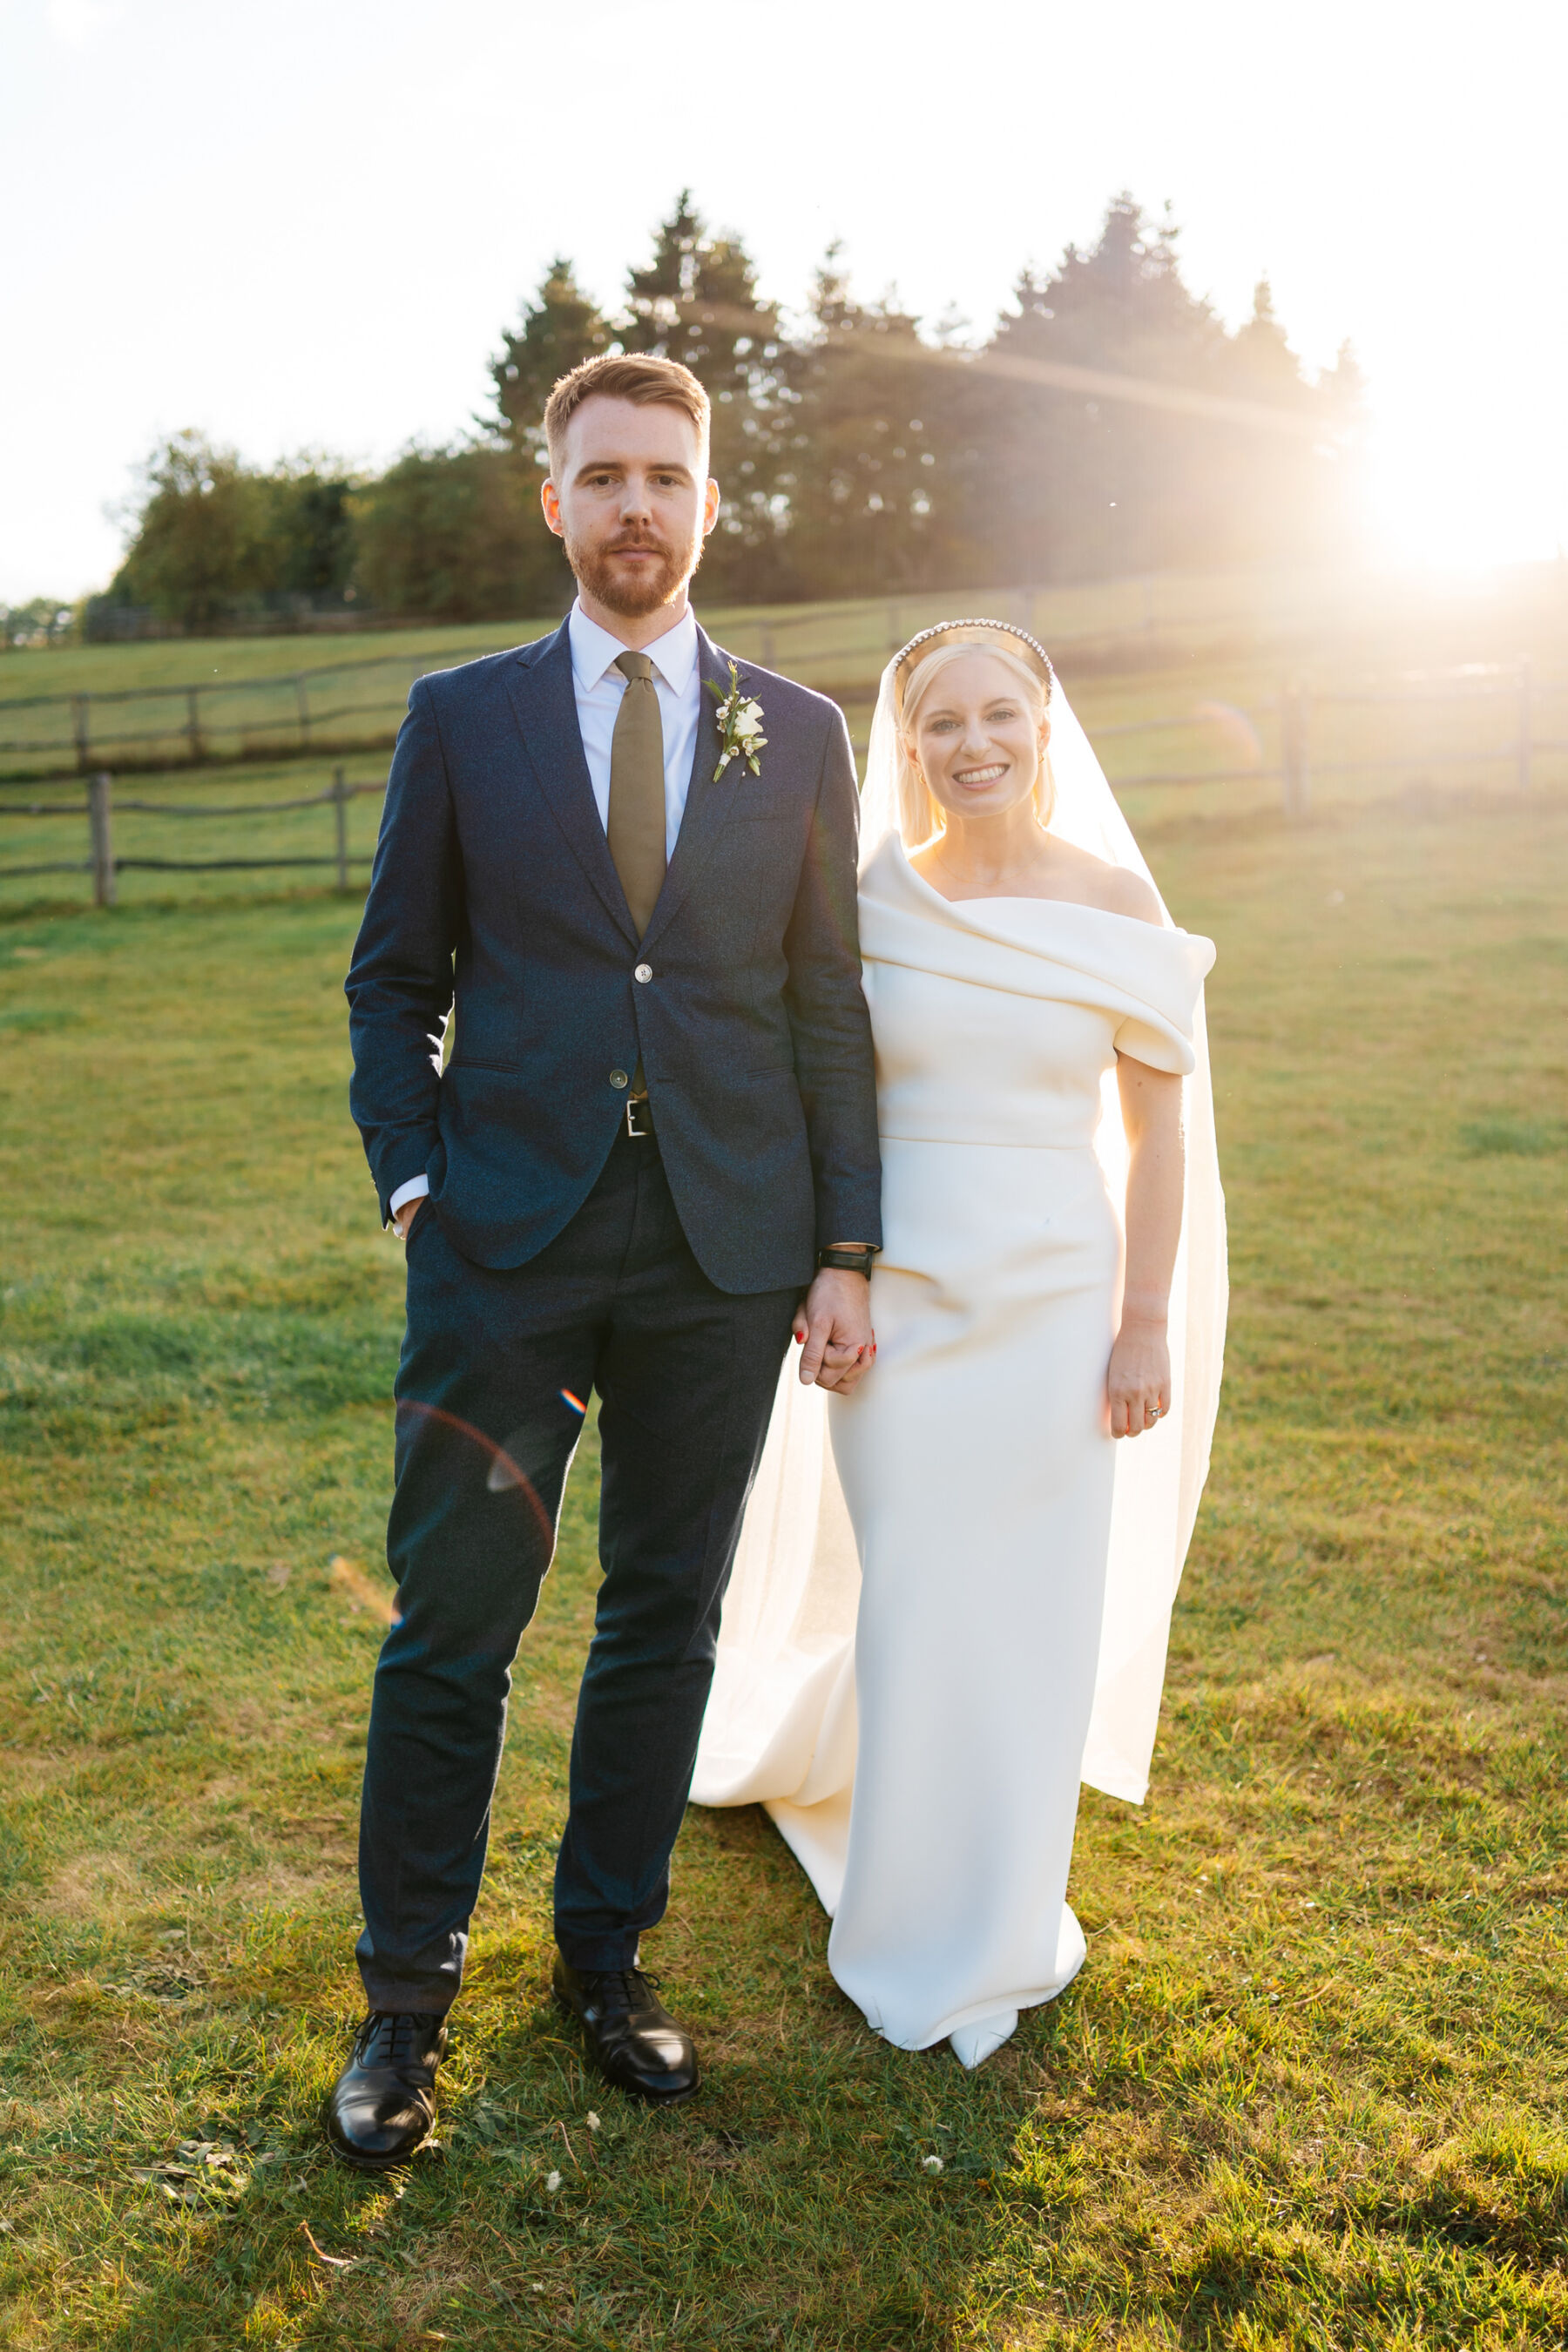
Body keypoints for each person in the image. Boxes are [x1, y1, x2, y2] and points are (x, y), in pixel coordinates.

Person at [329, 353, 882, 2166]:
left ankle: (604, 1956)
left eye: (668, 475)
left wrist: (845, 1242)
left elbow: (825, 999)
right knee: (456, 1623)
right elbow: (392, 980)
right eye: (605, 476)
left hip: (725, 1248)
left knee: (665, 1616)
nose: (637, 505)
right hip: (505, 1243)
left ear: (710, 504)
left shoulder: (794, 732)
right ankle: (405, 2000)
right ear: (552, 501)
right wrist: (416, 1186)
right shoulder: (463, 718)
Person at [693, 619, 1227, 2066]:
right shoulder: (873, 899)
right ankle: (902, 1908)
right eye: (942, 722)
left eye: (1000, 714)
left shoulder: (1115, 900)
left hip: (1059, 1303)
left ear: (1047, 727)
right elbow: (824, 1099)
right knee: (922, 1600)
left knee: (1033, 1610)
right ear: (908, 740)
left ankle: (1000, 1912)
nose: (973, 743)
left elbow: (1158, 1128)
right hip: (902, 1297)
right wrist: (835, 1273)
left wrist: (1140, 1324)